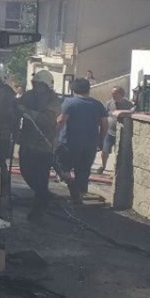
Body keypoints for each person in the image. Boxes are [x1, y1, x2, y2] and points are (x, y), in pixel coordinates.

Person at [15, 70, 61, 221]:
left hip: (44, 146)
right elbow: (18, 106)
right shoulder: (29, 96)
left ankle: (38, 210)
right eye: (34, 84)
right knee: (26, 172)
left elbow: (46, 121)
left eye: (39, 85)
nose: (36, 87)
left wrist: (27, 112)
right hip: (28, 144)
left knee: (41, 179)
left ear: (46, 86)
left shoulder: (53, 101)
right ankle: (44, 196)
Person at [56, 77, 107, 206]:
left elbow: (62, 120)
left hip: (69, 143)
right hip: (90, 144)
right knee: (83, 170)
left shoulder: (69, 103)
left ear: (73, 89)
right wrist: (101, 140)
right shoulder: (97, 104)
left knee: (63, 168)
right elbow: (104, 124)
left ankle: (72, 188)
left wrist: (53, 135)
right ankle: (79, 195)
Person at [98, 86, 133, 174]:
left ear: (121, 94)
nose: (113, 95)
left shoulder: (128, 104)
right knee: (105, 151)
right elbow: (103, 116)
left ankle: (115, 171)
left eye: (115, 93)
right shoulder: (109, 103)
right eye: (112, 93)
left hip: (121, 133)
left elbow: (133, 113)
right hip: (109, 132)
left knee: (118, 153)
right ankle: (103, 166)